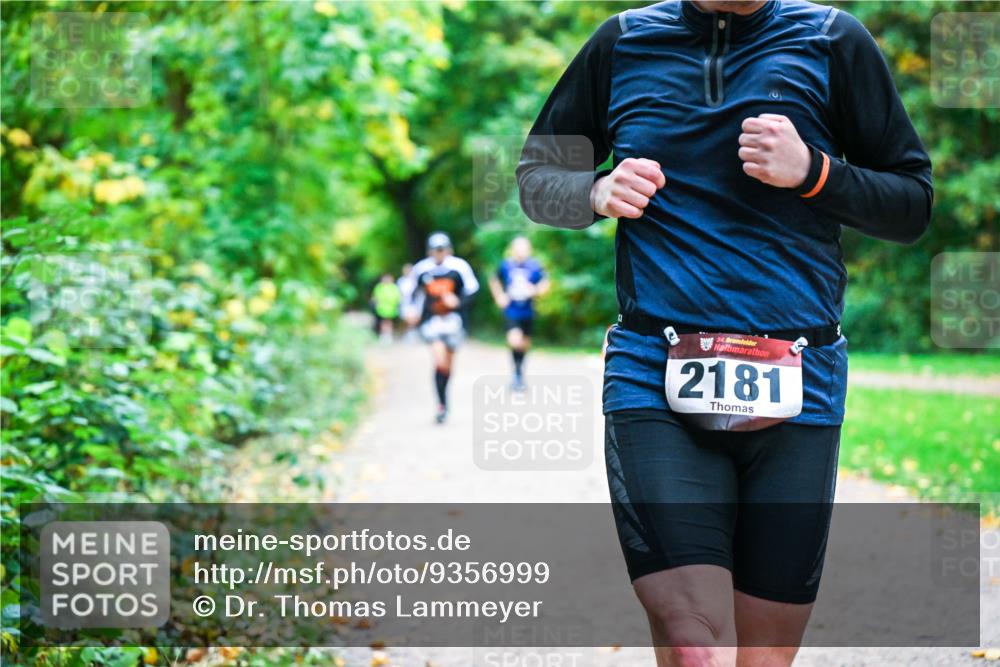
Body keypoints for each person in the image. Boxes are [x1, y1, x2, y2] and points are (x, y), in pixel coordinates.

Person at [517, 1, 932, 665]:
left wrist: (815, 173)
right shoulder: (623, 41)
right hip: (653, 369)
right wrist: (596, 194)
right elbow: (535, 179)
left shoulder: (832, 39)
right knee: (691, 645)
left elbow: (912, 205)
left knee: (765, 655)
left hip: (800, 373)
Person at [409, 232, 479, 424]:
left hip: (453, 322)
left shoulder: (459, 268)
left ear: (448, 250)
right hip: (432, 322)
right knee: (439, 360)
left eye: (442, 250)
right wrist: (411, 312)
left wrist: (458, 302)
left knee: (447, 365)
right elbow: (411, 293)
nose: (439, 254)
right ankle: (440, 404)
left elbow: (472, 290)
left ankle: (444, 400)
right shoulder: (422, 270)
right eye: (435, 250)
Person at [488, 236, 550, 390]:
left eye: (524, 248)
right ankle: (516, 375)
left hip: (528, 311)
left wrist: (536, 290)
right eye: (518, 248)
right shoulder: (506, 265)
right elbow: (494, 279)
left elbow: (545, 283)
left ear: (529, 250)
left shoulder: (535, 266)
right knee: (514, 341)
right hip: (511, 310)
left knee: (524, 344)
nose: (521, 252)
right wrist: (499, 296)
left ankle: (519, 374)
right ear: (513, 249)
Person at [370, 273, 401, 343]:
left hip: (391, 308)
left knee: (389, 322)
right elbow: (375, 297)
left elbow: (397, 297)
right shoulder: (379, 287)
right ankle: (383, 335)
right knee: (383, 322)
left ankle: (388, 335)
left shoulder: (394, 287)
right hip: (381, 308)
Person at [397, 263, 420, 342]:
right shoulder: (401, 281)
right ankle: (408, 333)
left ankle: (412, 333)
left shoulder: (416, 281)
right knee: (406, 319)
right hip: (404, 302)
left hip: (414, 302)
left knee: (413, 318)